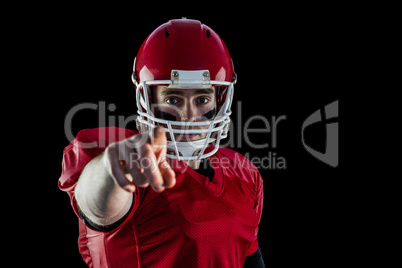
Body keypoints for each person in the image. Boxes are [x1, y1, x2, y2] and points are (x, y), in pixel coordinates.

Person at [59, 18, 265, 268]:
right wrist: (112, 171)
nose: (189, 116)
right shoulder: (132, 161)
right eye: (173, 99)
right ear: (147, 99)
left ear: (219, 101)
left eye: (202, 99)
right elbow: (97, 207)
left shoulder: (243, 175)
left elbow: (249, 258)